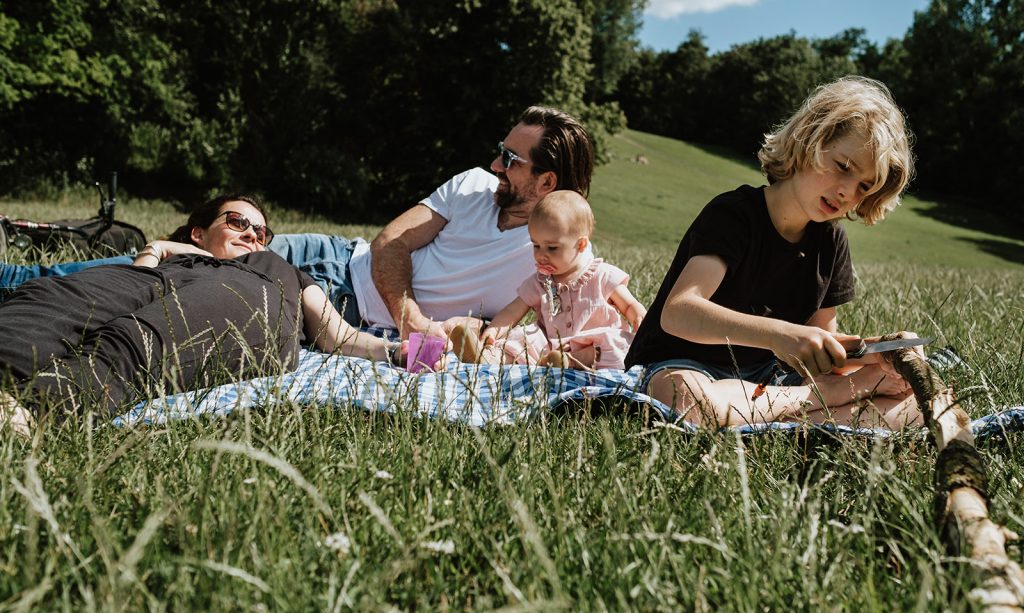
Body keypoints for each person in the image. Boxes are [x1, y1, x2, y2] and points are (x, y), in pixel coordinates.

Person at [0, 106, 595, 340]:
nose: (496, 164)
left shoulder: (561, 253)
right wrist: (411, 316)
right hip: (330, 262)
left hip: (342, 320)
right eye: (500, 150)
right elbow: (391, 242)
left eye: (511, 158)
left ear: (547, 182)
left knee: (176, 300)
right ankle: (14, 281)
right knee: (161, 272)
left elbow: (589, 321)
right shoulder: (472, 186)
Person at [624, 76, 922, 429]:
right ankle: (821, 404)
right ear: (808, 140)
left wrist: (881, 350)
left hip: (767, 381)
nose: (847, 192)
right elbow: (679, 312)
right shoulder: (734, 214)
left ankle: (782, 414)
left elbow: (822, 351)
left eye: (863, 186)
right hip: (682, 365)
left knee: (920, 406)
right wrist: (781, 335)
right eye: (843, 166)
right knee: (688, 401)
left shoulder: (831, 242)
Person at [0, 193, 400, 436]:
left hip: (249, 293)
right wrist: (159, 250)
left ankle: (32, 409)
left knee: (135, 341)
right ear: (198, 232)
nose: (251, 234)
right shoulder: (179, 256)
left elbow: (340, 336)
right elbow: (129, 288)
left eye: (261, 232)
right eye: (237, 222)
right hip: (171, 275)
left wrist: (401, 351)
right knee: (53, 297)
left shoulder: (280, 271)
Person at [448, 191, 645, 370]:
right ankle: (490, 357)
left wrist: (638, 315)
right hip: (550, 346)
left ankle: (571, 361)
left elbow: (629, 305)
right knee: (523, 337)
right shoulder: (541, 282)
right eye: (536, 246)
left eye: (551, 248)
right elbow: (513, 311)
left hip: (592, 345)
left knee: (620, 341)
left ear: (581, 244)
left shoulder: (602, 274)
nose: (541, 255)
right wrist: (493, 331)